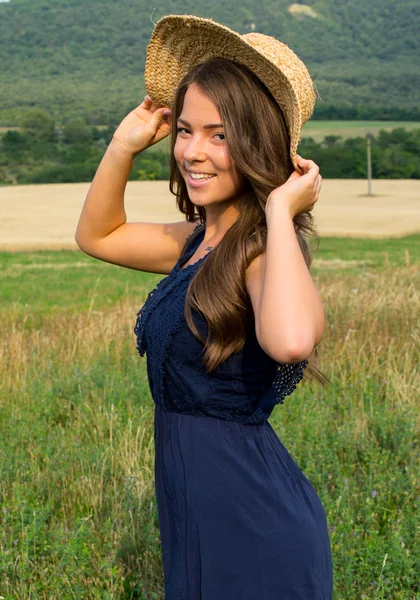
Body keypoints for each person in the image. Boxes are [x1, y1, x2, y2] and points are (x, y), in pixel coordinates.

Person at [76, 14, 333, 599]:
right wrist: (123, 145)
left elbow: (293, 341)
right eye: (186, 130)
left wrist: (278, 212)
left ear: (259, 144)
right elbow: (99, 236)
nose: (193, 152)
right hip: (194, 513)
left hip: (255, 528)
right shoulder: (197, 242)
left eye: (220, 135)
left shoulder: (265, 251)